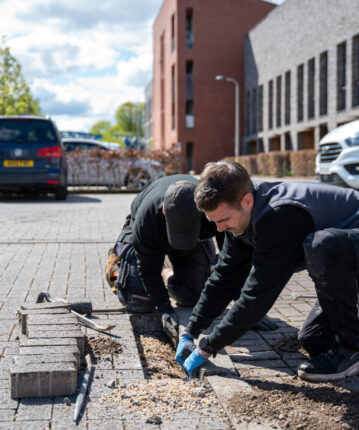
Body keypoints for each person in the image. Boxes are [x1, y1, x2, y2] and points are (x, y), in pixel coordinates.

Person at [175, 160, 359, 382]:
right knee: (314, 340)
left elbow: (258, 293)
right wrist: (190, 331)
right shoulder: (242, 216)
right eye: (214, 222)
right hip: (348, 261)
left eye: (223, 220)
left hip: (349, 245)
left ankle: (353, 349)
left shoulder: (278, 216)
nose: (219, 229)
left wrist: (208, 346)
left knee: (320, 245)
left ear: (247, 201)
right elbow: (224, 278)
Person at [106, 174, 223, 344]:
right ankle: (155, 267)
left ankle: (167, 273)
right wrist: (165, 308)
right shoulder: (146, 219)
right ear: (164, 210)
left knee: (192, 297)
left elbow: (234, 258)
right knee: (138, 302)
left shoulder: (213, 212)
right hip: (151, 238)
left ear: (203, 214)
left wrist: (249, 308)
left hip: (194, 242)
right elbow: (146, 269)